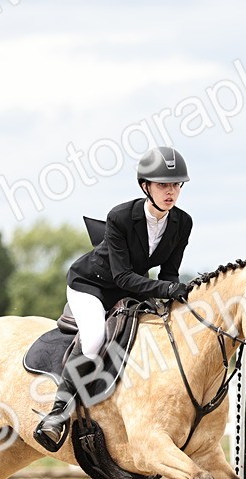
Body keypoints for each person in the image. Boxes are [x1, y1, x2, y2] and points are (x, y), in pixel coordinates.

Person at [33, 146, 194, 452]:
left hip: (131, 290)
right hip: (91, 285)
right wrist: (165, 290)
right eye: (162, 185)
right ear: (145, 186)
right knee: (94, 338)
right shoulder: (120, 217)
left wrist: (176, 297)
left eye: (175, 185)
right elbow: (121, 277)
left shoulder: (182, 222)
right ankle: (58, 413)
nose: (170, 192)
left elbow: (169, 275)